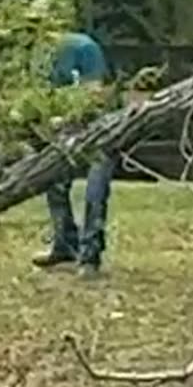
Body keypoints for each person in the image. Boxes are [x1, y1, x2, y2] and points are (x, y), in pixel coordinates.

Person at [31, 31, 116, 278]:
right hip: (66, 128)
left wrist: (67, 118)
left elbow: (95, 94)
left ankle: (91, 255)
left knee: (95, 191)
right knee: (54, 184)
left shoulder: (84, 48)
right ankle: (65, 243)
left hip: (101, 127)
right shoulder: (41, 60)